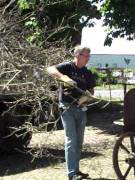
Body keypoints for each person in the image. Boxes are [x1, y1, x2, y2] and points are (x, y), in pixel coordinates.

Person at [47, 46, 95, 180]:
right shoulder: (68, 67)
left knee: (79, 142)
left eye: (89, 56)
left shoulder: (87, 73)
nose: (88, 58)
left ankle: (76, 170)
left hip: (81, 109)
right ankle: (72, 174)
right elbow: (50, 69)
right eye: (86, 55)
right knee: (71, 140)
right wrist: (64, 78)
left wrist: (87, 96)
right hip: (67, 107)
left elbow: (91, 90)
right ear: (77, 55)